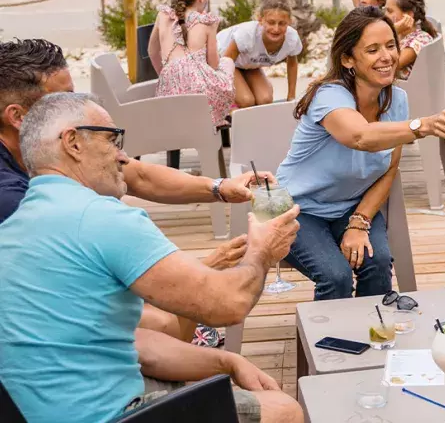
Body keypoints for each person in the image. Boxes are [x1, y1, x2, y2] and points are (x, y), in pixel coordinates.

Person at [0, 92, 303, 423]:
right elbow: (227, 303)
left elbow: (135, 342)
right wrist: (262, 251)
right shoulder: (100, 217)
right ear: (73, 142)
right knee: (284, 410)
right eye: (113, 140)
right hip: (110, 415)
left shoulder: (14, 227)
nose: (123, 157)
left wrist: (227, 362)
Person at [0, 38, 276, 346]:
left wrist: (220, 187)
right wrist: (257, 253)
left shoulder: (54, 155)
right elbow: (217, 307)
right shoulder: (18, 202)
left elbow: (138, 174)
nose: (77, 106)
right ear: (19, 117)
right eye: (64, 98)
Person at [276, 6, 445, 300]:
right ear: (347, 59)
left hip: (350, 207)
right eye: (372, 50)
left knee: (377, 264)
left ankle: (375, 337)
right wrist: (424, 125)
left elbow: (389, 169)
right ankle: (330, 345)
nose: (387, 57)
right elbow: (360, 136)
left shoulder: (397, 100)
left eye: (391, 45)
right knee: (336, 276)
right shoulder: (329, 96)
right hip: (297, 209)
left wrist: (360, 221)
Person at [149, 0, 235, 126]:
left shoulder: (163, 15)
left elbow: (152, 51)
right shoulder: (207, 22)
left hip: (168, 92)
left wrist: (164, 74)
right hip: (201, 95)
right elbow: (214, 64)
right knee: (228, 63)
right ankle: (217, 117)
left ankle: (213, 118)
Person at [218, 0, 302, 105]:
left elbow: (292, 64)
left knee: (265, 99)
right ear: (260, 19)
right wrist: (225, 96)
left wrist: (291, 98)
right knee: (246, 100)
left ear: (289, 22)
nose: (276, 29)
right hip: (223, 59)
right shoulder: (247, 34)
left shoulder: (292, 38)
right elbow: (227, 62)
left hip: (248, 64)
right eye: (271, 22)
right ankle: (230, 109)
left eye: (282, 23)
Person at [383, 0, 438, 80]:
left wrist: (393, 31)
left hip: (403, 91)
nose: (385, 15)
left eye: (390, 11)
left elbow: (388, 67)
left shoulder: (419, 40)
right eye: (385, 10)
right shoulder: (400, 35)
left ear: (408, 15)